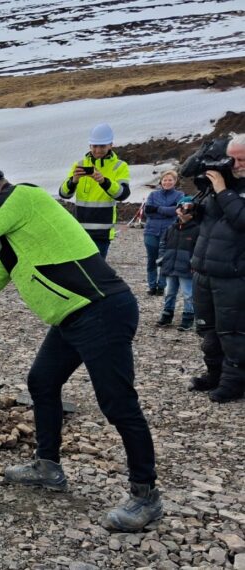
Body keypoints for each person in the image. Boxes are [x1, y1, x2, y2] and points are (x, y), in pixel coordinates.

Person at [0, 160, 161, 532]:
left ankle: (145, 495)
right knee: (42, 381)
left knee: (118, 403)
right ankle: (48, 467)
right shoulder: (12, 235)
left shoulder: (23, 198)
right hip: (71, 319)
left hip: (101, 310)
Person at [187, 134, 245, 403]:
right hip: (205, 268)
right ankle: (215, 373)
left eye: (241, 159)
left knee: (233, 331)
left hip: (234, 274)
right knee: (207, 327)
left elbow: (241, 219)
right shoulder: (225, 178)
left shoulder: (225, 186)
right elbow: (214, 216)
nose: (235, 164)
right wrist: (191, 211)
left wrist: (222, 190)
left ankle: (234, 383)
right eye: (232, 158)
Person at [59, 123, 131, 258]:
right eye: (95, 146)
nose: (98, 150)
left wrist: (104, 181)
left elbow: (123, 194)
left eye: (102, 146)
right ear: (89, 146)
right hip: (78, 231)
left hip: (101, 233)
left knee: (96, 275)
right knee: (80, 273)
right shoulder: (79, 165)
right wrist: (73, 181)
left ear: (111, 145)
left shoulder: (119, 166)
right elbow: (64, 194)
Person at [155, 196, 198, 331]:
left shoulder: (197, 229)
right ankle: (167, 315)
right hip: (170, 265)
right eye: (183, 208)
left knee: (188, 294)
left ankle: (188, 318)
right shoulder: (171, 228)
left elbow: (200, 249)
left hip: (187, 268)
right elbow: (162, 243)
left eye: (189, 209)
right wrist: (162, 258)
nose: (185, 211)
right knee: (169, 292)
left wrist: (194, 263)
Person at [142, 170, 184, 295]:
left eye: (170, 180)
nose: (167, 182)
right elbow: (147, 211)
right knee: (152, 259)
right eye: (165, 180)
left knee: (165, 259)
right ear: (161, 181)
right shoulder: (153, 195)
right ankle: (151, 285)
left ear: (175, 181)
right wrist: (168, 210)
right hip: (151, 231)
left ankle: (161, 286)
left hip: (169, 232)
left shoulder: (179, 195)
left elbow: (177, 211)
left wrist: (157, 209)